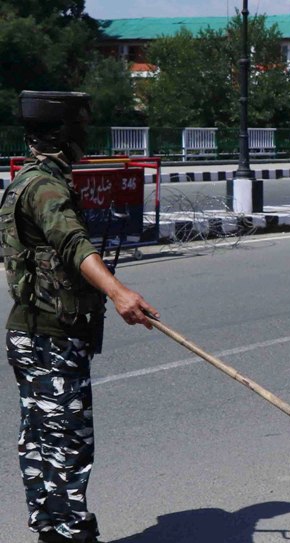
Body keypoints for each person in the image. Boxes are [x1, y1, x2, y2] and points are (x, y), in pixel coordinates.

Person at [1, 91, 159, 543]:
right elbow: (72, 243)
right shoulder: (46, 187)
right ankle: (71, 533)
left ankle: (51, 528)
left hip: (31, 332)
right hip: (51, 336)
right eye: (80, 131)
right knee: (68, 442)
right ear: (62, 135)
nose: (85, 140)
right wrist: (119, 293)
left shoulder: (28, 179)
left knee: (40, 439)